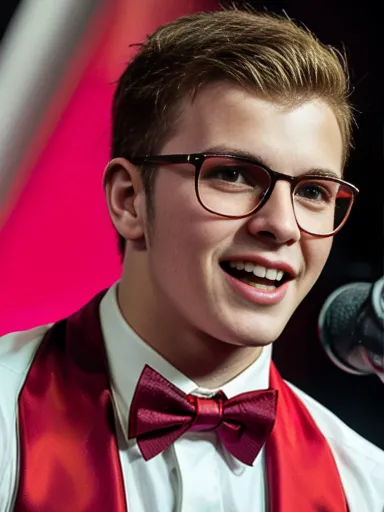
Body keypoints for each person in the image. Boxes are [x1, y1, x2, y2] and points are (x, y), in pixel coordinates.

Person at [0, 7, 383, 512]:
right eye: (233, 175)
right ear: (129, 200)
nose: (283, 225)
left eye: (313, 191)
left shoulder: (367, 485)